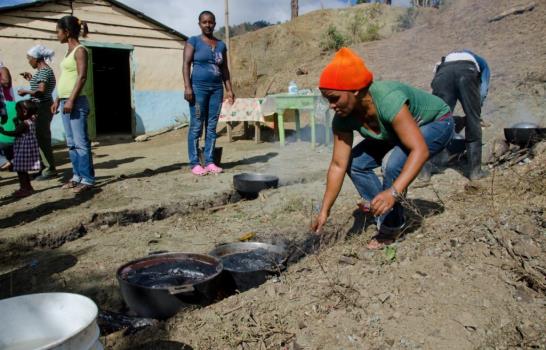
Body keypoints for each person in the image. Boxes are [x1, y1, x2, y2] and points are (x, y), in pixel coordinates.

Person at [312, 48, 454, 249]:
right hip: (397, 132)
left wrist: (393, 193)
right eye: (327, 100)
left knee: (394, 162)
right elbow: (338, 165)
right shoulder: (343, 118)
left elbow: (419, 150)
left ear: (355, 90)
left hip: (438, 123)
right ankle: (385, 210)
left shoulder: (388, 100)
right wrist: (325, 210)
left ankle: (391, 225)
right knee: (355, 163)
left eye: (334, 98)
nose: (331, 106)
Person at [183, 10, 235, 176]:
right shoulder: (194, 41)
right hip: (198, 89)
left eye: (210, 22)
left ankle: (210, 161)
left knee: (211, 127)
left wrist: (229, 89)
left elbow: (224, 68)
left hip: (216, 90)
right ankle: (194, 163)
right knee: (197, 125)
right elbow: (186, 64)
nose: (208, 25)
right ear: (199, 24)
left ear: (214, 23)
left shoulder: (221, 45)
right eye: (204, 22)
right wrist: (187, 87)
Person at [431, 50, 490, 180]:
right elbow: (484, 87)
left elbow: (435, 81)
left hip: (443, 75)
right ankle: (475, 172)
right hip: (467, 73)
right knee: (472, 119)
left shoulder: (445, 60)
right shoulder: (482, 62)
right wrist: (475, 110)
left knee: (438, 120)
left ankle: (429, 166)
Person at [52, 15, 95, 193]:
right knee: (70, 143)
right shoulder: (68, 52)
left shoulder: (80, 50)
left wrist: (70, 99)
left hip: (76, 102)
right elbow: (65, 78)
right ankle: (77, 176)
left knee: (80, 142)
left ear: (67, 32)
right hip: (65, 102)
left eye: (58, 32)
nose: (57, 35)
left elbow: (82, 76)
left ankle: (87, 179)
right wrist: (57, 99)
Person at [18, 45, 58, 180]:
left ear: (36, 58)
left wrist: (25, 91)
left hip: (43, 107)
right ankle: (43, 167)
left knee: (43, 139)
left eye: (29, 58)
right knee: (39, 139)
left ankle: (49, 169)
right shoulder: (42, 72)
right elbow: (40, 87)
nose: (29, 61)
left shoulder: (44, 71)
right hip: (40, 107)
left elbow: (41, 92)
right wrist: (30, 79)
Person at [0, 100, 40, 197]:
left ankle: (24, 188)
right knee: (22, 170)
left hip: (23, 149)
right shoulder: (32, 120)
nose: (17, 114)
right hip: (28, 148)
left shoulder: (24, 124)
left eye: (18, 112)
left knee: (20, 171)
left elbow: (15, 133)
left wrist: (3, 131)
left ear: (25, 112)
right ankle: (28, 187)